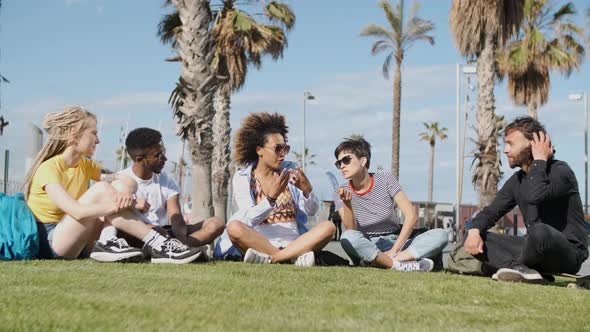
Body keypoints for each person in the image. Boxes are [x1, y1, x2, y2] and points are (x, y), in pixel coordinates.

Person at [24, 106, 202, 264]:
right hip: (52, 242)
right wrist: (129, 203)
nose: (98, 140)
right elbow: (77, 212)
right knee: (102, 189)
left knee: (118, 186)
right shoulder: (48, 168)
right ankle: (159, 244)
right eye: (93, 133)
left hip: (77, 237)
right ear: (73, 133)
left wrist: (126, 192)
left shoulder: (85, 165)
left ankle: (108, 240)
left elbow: (126, 180)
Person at [464, 117, 589, 283]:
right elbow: (492, 211)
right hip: (533, 248)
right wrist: (473, 231)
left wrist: (539, 160)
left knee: (539, 231)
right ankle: (522, 270)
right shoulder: (517, 180)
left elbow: (534, 195)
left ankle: (514, 266)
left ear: (533, 144)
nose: (506, 150)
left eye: (511, 144)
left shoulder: (561, 172)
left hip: (568, 254)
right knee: (476, 234)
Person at [214, 112, 335, 266]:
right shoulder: (243, 177)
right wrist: (271, 198)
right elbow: (248, 220)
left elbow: (311, 211)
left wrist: (307, 191)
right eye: (278, 148)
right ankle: (292, 259)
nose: (283, 154)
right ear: (259, 150)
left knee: (329, 227)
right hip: (260, 244)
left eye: (285, 148)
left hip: (294, 243)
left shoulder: (291, 171)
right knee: (234, 227)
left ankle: (275, 259)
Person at [97, 127, 224, 254]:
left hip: (165, 231)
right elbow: (115, 217)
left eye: (163, 152)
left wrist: (182, 241)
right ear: (140, 160)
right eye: (158, 155)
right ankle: (171, 248)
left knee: (216, 223)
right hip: (136, 232)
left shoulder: (167, 181)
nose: (165, 159)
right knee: (159, 231)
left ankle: (180, 248)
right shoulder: (121, 181)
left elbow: (176, 217)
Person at [334, 138, 449, 272]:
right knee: (347, 237)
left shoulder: (385, 179)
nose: (342, 166)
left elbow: (411, 216)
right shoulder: (341, 192)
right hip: (366, 244)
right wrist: (347, 203)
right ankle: (398, 264)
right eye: (338, 163)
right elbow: (351, 229)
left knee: (441, 235)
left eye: (346, 160)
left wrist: (394, 250)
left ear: (363, 160)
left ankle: (385, 262)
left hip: (395, 242)